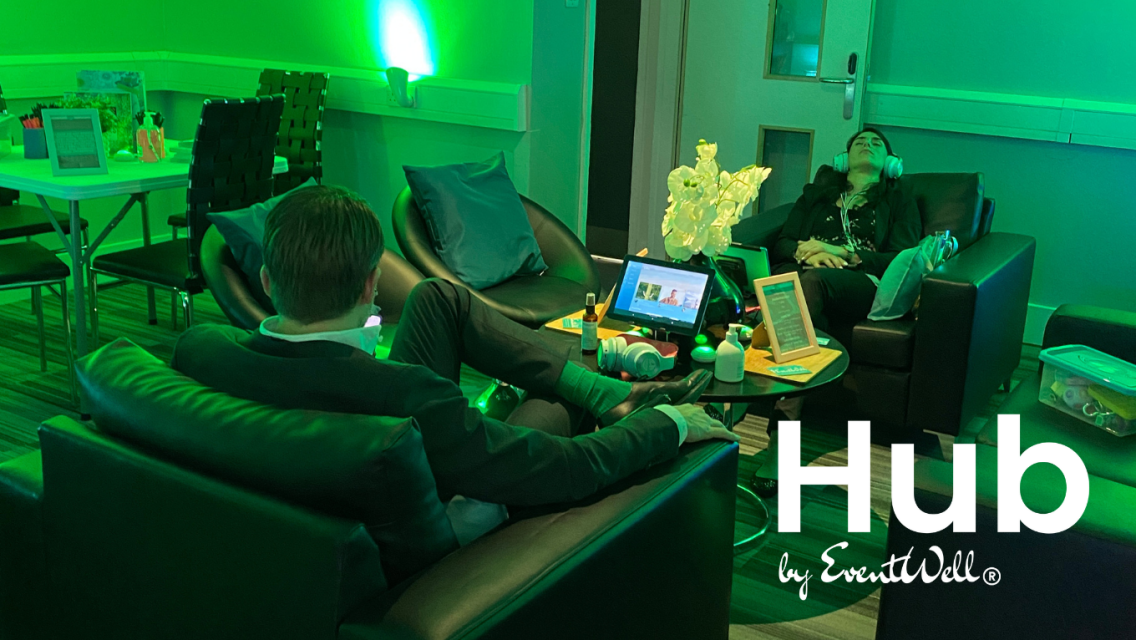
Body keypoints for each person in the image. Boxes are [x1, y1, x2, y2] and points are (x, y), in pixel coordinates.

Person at [172, 185, 738, 547]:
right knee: (553, 403)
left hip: (326, 489)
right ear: (371, 284)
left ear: (268, 282)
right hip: (447, 523)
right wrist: (669, 425)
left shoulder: (203, 350)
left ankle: (602, 390)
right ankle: (610, 397)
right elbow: (568, 468)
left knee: (438, 299)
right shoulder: (407, 398)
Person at [755, 128, 921, 497]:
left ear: (890, 163)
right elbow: (783, 242)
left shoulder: (899, 198)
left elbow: (900, 256)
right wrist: (806, 251)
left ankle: (778, 440)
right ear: (845, 159)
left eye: (877, 144)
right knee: (795, 286)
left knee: (806, 285)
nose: (868, 144)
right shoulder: (816, 194)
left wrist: (844, 254)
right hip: (809, 273)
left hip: (860, 280)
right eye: (860, 141)